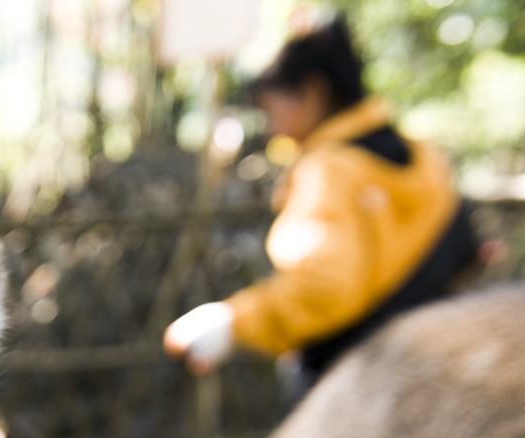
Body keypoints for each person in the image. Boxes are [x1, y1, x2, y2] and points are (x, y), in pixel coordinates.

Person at [164, 16, 479, 385]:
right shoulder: (423, 154)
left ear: (312, 90)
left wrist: (234, 321)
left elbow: (325, 287)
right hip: (434, 362)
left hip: (353, 378)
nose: (271, 128)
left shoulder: (329, 171)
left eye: (271, 109)